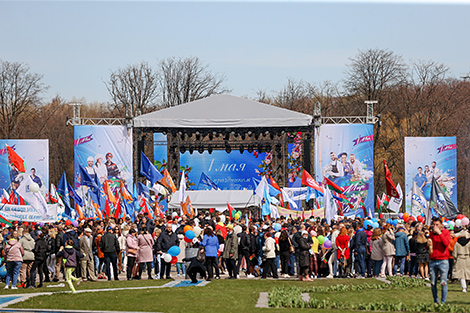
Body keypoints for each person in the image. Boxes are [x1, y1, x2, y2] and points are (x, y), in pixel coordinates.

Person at [429, 217, 451, 305]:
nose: (435, 226)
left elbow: (446, 243)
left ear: (441, 225)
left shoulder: (446, 232)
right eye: (434, 224)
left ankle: (443, 302)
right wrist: (428, 245)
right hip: (433, 260)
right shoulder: (431, 234)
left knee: (443, 282)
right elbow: (429, 248)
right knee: (432, 283)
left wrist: (440, 233)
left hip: (443, 260)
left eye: (437, 224)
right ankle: (435, 301)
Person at [452, 228, 470, 293]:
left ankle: (464, 287)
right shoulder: (469, 243)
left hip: (460, 258)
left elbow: (454, 252)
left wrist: (455, 258)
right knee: (468, 274)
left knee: (461, 274)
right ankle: (466, 286)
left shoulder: (457, 243)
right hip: (467, 258)